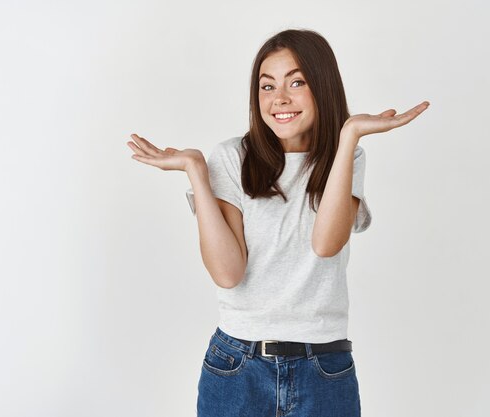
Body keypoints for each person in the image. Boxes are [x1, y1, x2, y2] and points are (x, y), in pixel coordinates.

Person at [127, 28, 429, 417]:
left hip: (324, 368)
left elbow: (326, 244)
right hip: (237, 365)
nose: (279, 99)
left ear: (323, 87)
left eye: (297, 82)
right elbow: (227, 273)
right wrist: (197, 174)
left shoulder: (345, 158)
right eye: (267, 86)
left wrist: (349, 134)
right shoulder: (232, 157)